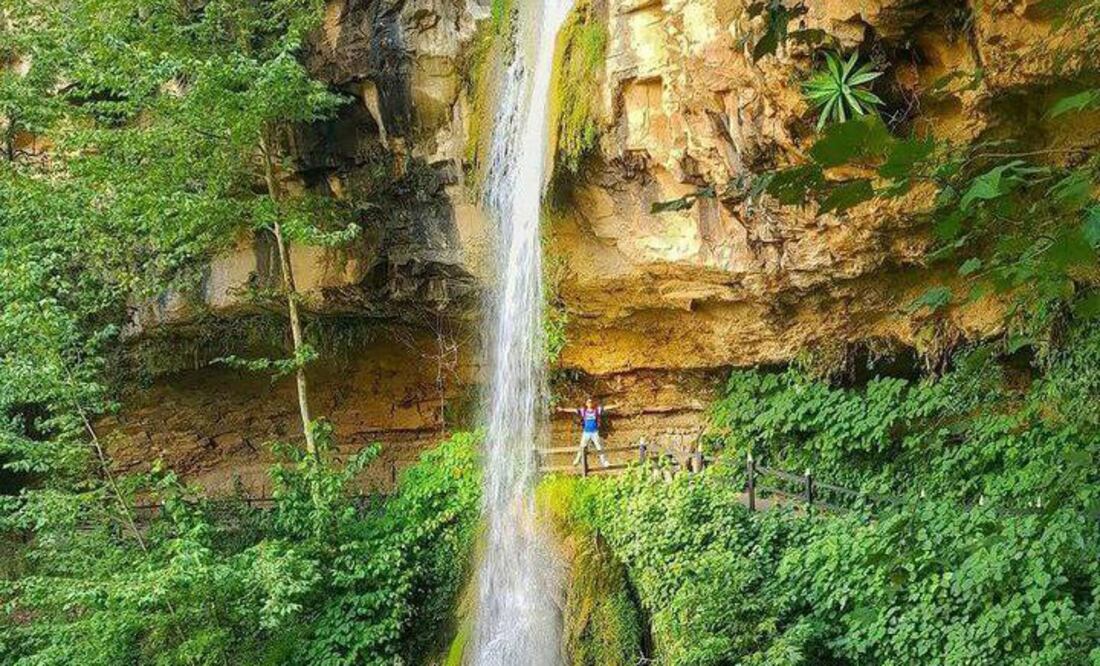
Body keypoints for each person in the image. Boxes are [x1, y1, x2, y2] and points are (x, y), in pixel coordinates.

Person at [556, 398, 619, 468]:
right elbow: (573, 410)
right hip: (586, 432)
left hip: (595, 432)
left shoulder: (597, 410)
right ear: (586, 404)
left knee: (599, 447)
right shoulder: (584, 411)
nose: (590, 403)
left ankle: (605, 462)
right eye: (588, 402)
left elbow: (606, 408)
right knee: (582, 446)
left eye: (591, 402)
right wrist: (563, 409)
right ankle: (577, 460)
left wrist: (616, 405)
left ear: (593, 403)